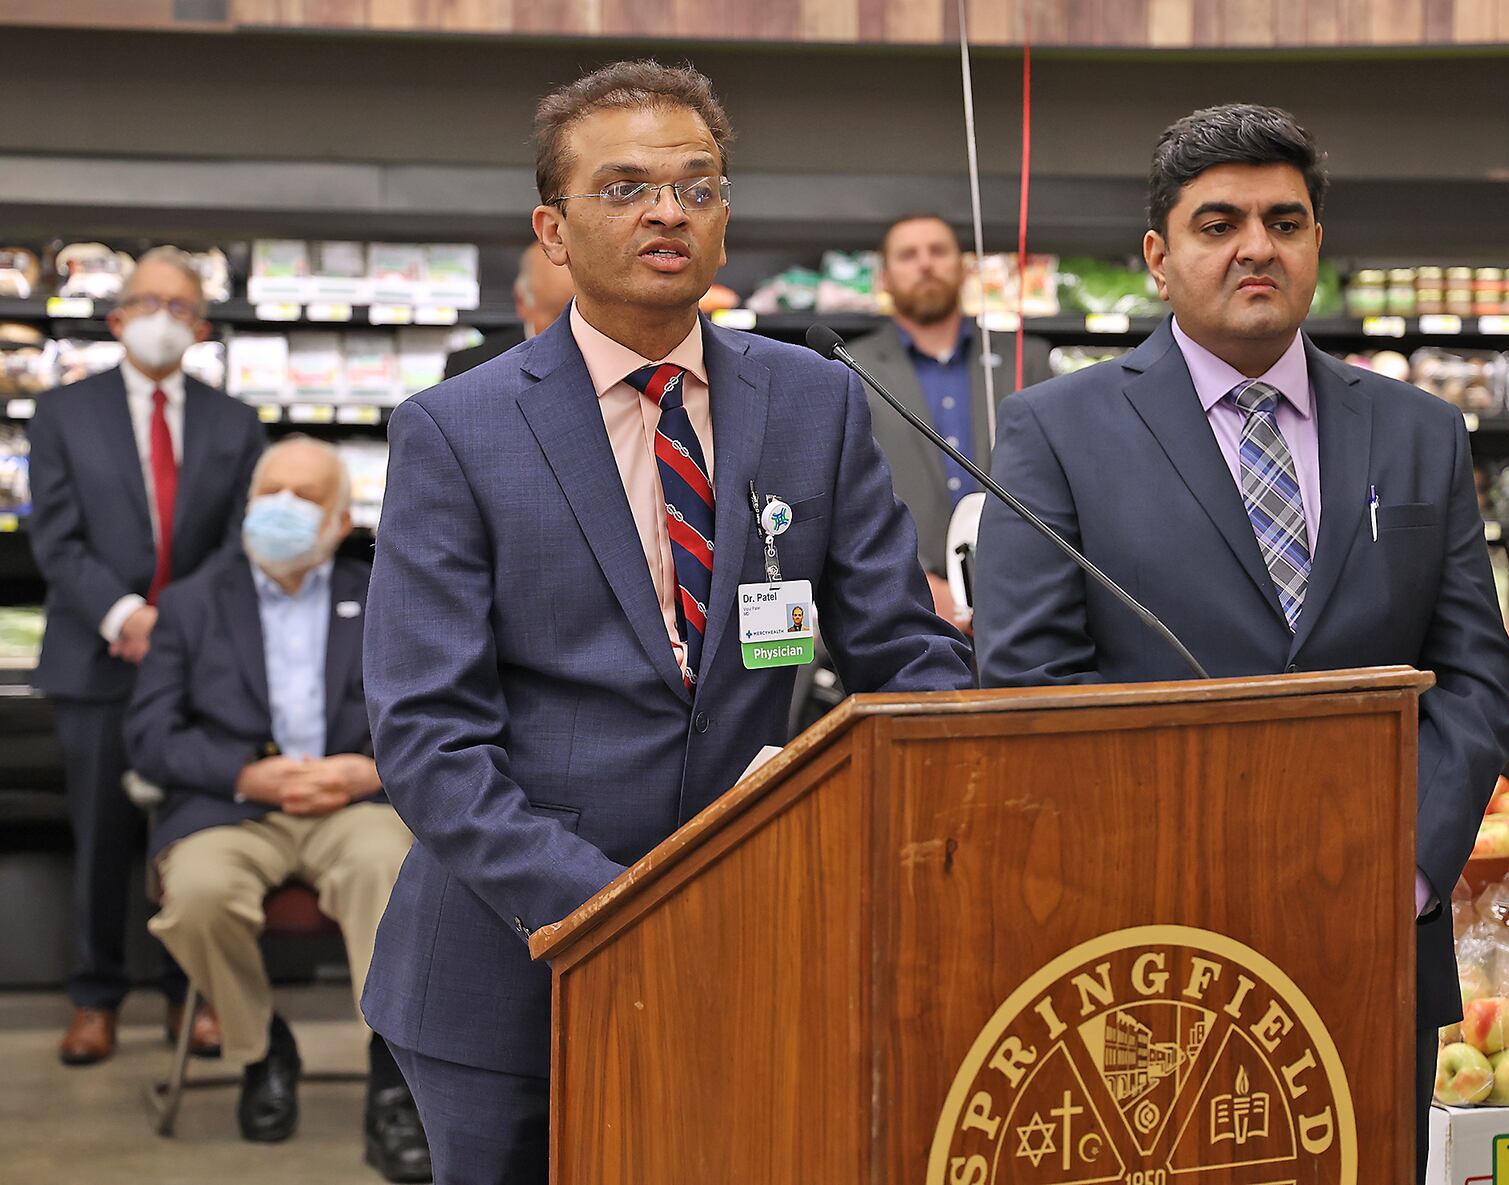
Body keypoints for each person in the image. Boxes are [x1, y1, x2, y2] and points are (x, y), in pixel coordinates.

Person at [360, 59, 972, 1185]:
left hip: (757, 951)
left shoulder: (815, 397)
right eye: (625, 187)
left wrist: (930, 758)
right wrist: (616, 909)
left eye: (696, 186)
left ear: (725, 216)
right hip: (516, 968)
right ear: (553, 228)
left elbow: (900, 647)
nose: (666, 212)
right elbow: (428, 738)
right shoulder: (457, 430)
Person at [973, 104, 1509, 1183]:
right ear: (1158, 259)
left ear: (1316, 243)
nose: (1254, 246)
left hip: (1373, 936)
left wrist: (1405, 870)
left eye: (1284, 219)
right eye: (1217, 222)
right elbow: (1029, 689)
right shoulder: (1057, 431)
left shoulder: (1417, 432)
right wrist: (1174, 879)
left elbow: (1470, 672)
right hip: (1144, 953)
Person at [124, 437, 428, 1182]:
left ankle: (394, 1077)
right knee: (195, 895)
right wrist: (246, 775)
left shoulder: (388, 591)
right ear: (247, 503)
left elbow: (433, 711)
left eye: (305, 497)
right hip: (232, 807)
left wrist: (369, 770)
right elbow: (150, 733)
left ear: (341, 517)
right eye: (271, 492)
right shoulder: (192, 602)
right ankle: (261, 1048)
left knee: (391, 870)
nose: (283, 510)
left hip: (353, 801)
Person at [27, 245, 265, 1065]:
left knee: (188, 831)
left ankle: (183, 998)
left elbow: (239, 541)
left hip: (196, 668)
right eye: (149, 302)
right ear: (118, 314)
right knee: (100, 835)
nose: (164, 319)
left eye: (181, 307)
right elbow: (54, 537)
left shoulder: (235, 423)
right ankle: (94, 1000)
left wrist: (178, 627)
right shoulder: (63, 414)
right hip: (95, 659)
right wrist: (125, 614)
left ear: (199, 327)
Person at [846, 214, 1053, 629]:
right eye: (908, 255)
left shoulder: (1025, 358)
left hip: (1023, 600)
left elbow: (1054, 477)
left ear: (963, 268)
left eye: (938, 251)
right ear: (884, 278)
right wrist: (912, 580)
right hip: (904, 607)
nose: (925, 264)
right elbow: (848, 495)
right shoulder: (849, 367)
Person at [442, 241, 575, 378]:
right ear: (521, 301)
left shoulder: (596, 362)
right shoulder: (469, 369)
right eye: (557, 315)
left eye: (583, 312)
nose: (575, 324)